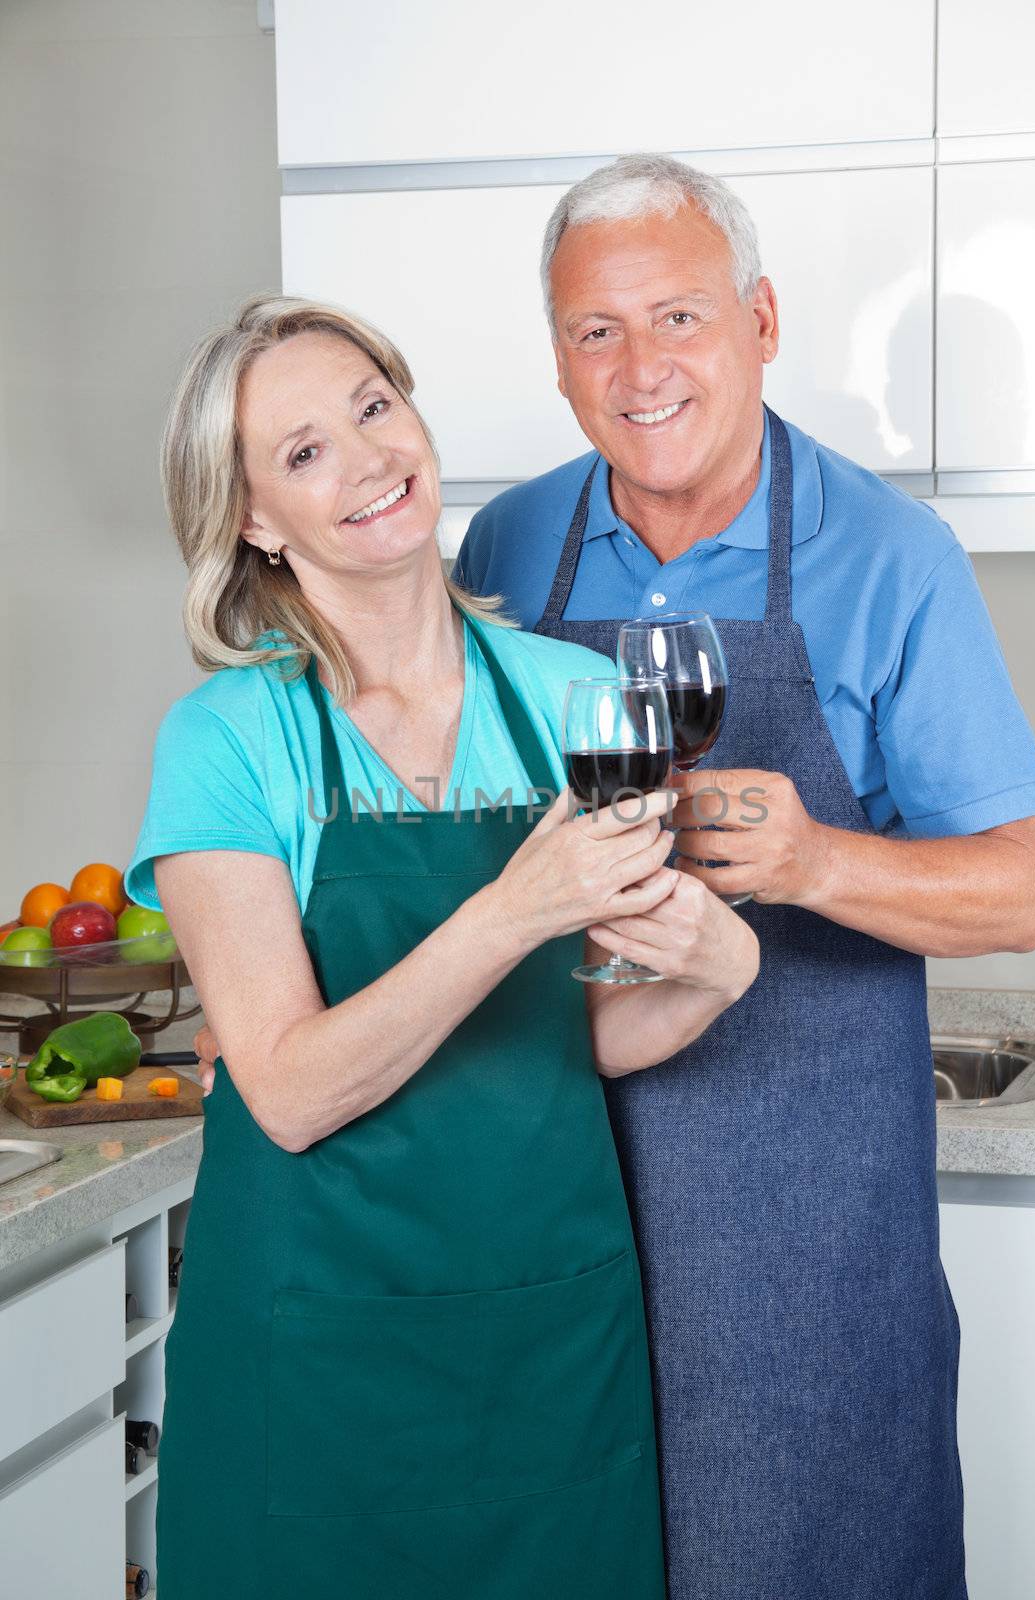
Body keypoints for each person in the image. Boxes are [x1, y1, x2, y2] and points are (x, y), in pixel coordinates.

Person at [452, 154, 1035, 1599]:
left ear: (764, 321)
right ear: (555, 357)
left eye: (680, 317)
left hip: (801, 1243)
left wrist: (812, 857)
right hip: (557, 1194)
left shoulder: (892, 557)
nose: (640, 367)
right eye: (596, 331)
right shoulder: (502, 545)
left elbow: (1023, 892)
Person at [124, 292, 759, 1600]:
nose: (365, 459)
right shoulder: (232, 742)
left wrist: (718, 968)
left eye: (373, 406)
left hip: (546, 1355)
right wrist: (514, 906)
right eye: (302, 453)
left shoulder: (576, 700)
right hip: (313, 1374)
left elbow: (579, 1031)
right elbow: (291, 1091)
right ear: (252, 521)